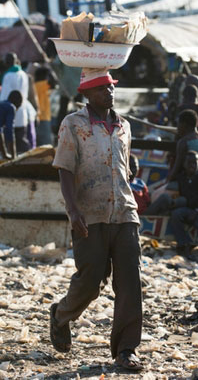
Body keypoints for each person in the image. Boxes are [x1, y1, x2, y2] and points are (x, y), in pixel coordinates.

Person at [50, 68, 143, 371]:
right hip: (89, 212)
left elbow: (125, 165)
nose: (109, 93)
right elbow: (65, 168)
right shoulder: (73, 125)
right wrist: (72, 209)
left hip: (124, 211)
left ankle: (126, 350)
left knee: (129, 280)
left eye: (111, 87)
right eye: (102, 88)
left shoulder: (124, 126)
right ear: (87, 93)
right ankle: (62, 315)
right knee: (91, 280)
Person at [170, 150, 198, 255]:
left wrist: (197, 211)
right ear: (184, 164)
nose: (192, 165)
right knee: (175, 214)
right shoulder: (180, 178)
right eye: (189, 162)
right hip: (187, 209)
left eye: (195, 162)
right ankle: (184, 243)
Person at [34, 67, 53, 146]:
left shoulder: (34, 85)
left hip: (36, 117)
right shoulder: (43, 84)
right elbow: (54, 82)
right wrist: (50, 71)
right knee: (46, 145)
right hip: (43, 117)